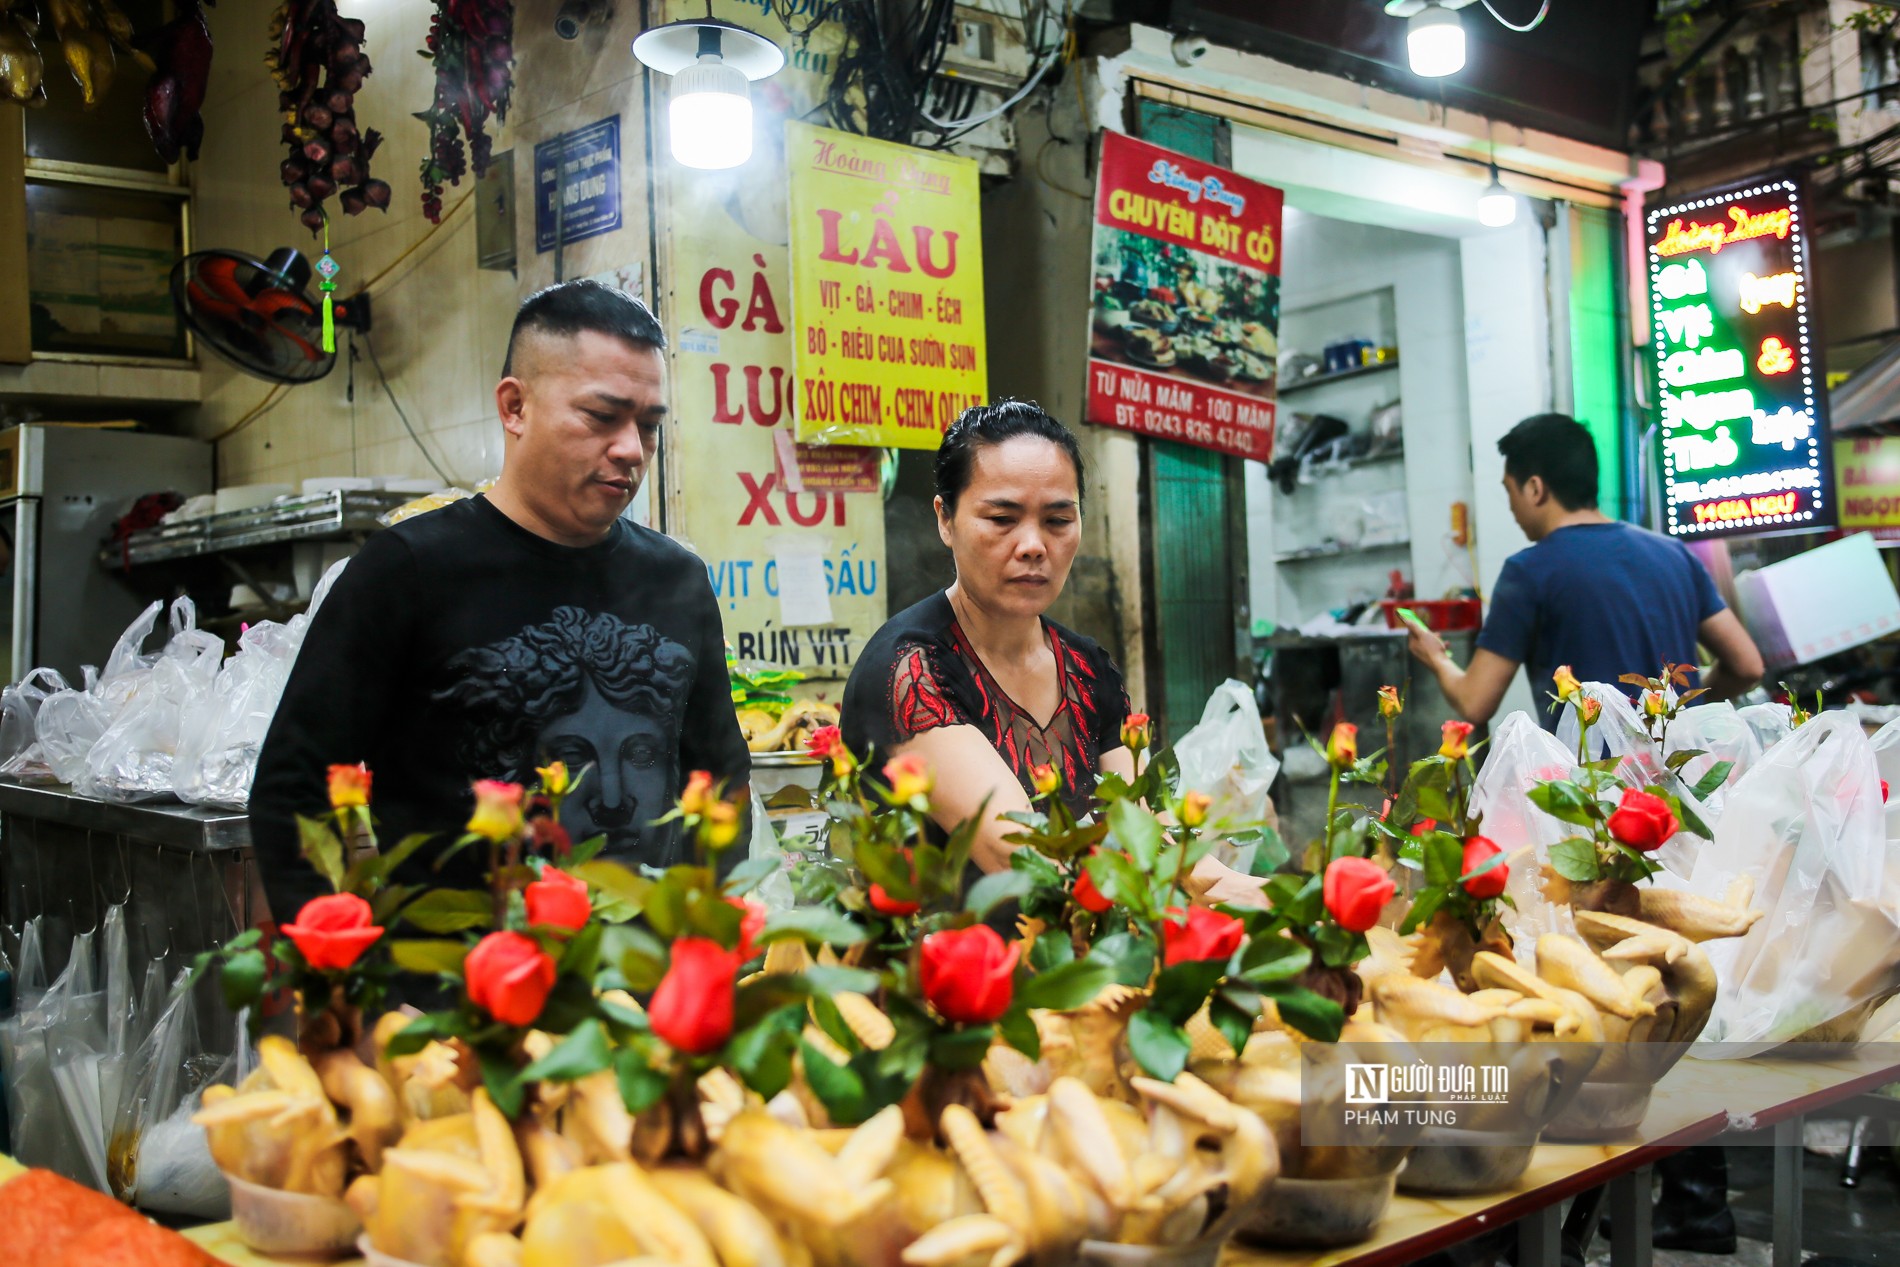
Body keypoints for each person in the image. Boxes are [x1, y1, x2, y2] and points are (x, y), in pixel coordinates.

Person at [251, 281, 750, 924]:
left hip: (644, 998)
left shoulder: (677, 579)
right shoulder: (407, 571)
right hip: (455, 1004)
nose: (632, 449)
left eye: (648, 426)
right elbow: (293, 791)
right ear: (515, 407)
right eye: (602, 416)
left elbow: (720, 778)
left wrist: (711, 945)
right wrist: (353, 990)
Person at [841, 401, 1262, 905]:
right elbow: (1023, 859)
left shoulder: (1088, 670)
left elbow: (1153, 841)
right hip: (940, 970)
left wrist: (1277, 897)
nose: (1033, 546)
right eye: (1002, 518)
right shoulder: (910, 669)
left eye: (1058, 520)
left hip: (1081, 960)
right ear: (945, 519)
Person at [1408, 412, 1763, 727]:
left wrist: (1436, 659)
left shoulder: (1528, 571)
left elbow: (1475, 701)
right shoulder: (1674, 554)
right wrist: (1689, 710)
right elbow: (1747, 666)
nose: (1512, 508)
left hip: (1594, 794)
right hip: (1686, 786)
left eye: (1509, 491)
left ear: (1534, 489)